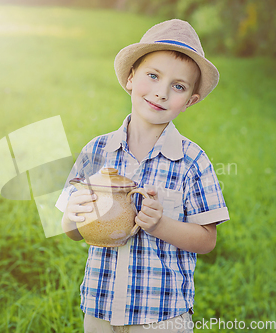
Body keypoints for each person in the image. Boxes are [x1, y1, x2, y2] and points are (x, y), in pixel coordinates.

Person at [56, 19, 229, 333]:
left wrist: (160, 225)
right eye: (153, 76)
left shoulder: (193, 161)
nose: (161, 93)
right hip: (100, 309)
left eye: (178, 86)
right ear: (131, 78)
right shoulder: (96, 151)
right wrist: (72, 216)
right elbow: (70, 229)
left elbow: (207, 240)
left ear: (191, 100)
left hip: (162, 316)